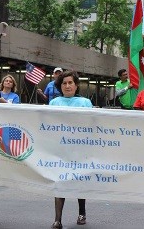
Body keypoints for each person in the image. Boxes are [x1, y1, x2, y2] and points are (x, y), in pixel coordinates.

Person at [49, 70, 93, 229]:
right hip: (60, 150)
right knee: (59, 182)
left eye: (70, 83)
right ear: (60, 86)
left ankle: (82, 212)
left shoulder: (85, 103)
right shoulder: (54, 103)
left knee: (79, 181)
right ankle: (57, 219)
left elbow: (92, 124)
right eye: (64, 83)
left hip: (80, 149)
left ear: (76, 85)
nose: (67, 86)